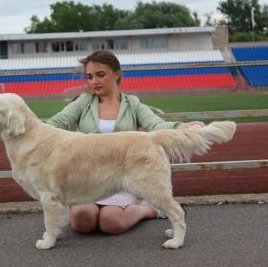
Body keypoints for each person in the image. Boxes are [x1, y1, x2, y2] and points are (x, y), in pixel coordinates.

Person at [46, 50, 204, 235]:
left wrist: (181, 126)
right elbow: (58, 122)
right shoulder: (83, 102)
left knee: (111, 222)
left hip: (120, 178)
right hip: (87, 179)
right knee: (83, 221)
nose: (94, 81)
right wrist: (33, 127)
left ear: (117, 73)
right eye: (89, 77)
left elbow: (156, 125)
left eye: (100, 75)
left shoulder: (133, 104)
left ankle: (150, 210)